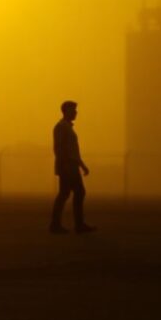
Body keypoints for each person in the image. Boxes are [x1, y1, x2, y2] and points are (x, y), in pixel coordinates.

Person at [49, 100, 96, 234]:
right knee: (76, 192)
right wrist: (66, 165)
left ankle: (59, 224)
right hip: (68, 166)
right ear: (65, 111)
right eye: (73, 110)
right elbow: (60, 149)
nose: (75, 112)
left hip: (71, 165)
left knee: (66, 193)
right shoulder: (61, 128)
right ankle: (75, 225)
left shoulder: (67, 128)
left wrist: (81, 165)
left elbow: (73, 150)